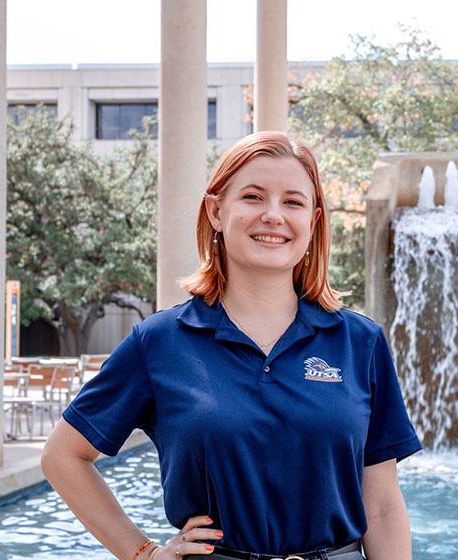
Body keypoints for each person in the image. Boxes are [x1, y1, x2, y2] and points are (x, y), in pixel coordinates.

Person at [41, 131, 422, 560]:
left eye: (292, 202)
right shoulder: (160, 341)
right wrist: (143, 553)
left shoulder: (361, 342)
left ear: (313, 223)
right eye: (254, 197)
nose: (273, 216)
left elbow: (384, 505)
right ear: (216, 211)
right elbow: (63, 456)